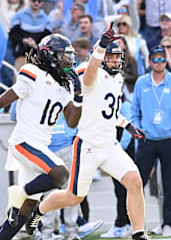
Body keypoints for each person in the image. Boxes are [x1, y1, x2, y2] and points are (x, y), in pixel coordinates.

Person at [0, 35, 82, 240]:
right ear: (49, 56)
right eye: (63, 56)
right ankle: (20, 192)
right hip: (24, 141)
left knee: (25, 210)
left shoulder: (64, 87)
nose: (69, 62)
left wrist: (78, 97)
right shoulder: (32, 73)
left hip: (41, 146)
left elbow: (73, 121)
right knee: (60, 174)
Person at [36, 29, 148, 240]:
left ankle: (139, 233)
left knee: (134, 180)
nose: (115, 61)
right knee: (73, 197)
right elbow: (87, 80)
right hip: (88, 145)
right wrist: (100, 48)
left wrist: (127, 124)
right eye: (110, 57)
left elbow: (108, 111)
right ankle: (38, 211)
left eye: (117, 57)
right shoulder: (89, 68)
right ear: (102, 56)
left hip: (109, 143)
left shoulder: (117, 79)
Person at [131, 46, 171, 237]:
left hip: (168, 140)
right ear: (150, 62)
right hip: (147, 140)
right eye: (155, 60)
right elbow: (135, 111)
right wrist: (138, 132)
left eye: (162, 59)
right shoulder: (142, 82)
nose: (159, 63)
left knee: (168, 184)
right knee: (138, 183)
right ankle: (137, 225)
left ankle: (167, 223)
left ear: (166, 61)